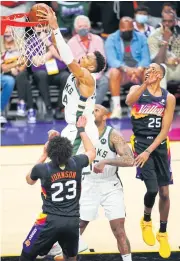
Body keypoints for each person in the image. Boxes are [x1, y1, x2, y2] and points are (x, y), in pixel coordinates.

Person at [19, 116, 96, 261]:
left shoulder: (42, 168)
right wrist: (81, 130)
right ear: (69, 151)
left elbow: (29, 180)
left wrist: (43, 155)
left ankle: (48, 247)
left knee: (26, 254)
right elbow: (91, 151)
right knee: (71, 257)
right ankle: (53, 248)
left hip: (49, 220)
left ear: (50, 153)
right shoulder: (76, 162)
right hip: (72, 221)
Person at [37, 9, 106, 163]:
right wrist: (50, 28)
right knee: (63, 169)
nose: (83, 56)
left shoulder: (87, 77)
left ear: (92, 68)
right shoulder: (77, 72)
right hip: (72, 127)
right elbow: (60, 48)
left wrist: (56, 27)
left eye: (88, 57)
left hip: (82, 130)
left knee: (67, 170)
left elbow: (68, 59)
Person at [126, 63, 176, 258]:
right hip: (139, 144)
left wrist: (150, 150)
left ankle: (162, 232)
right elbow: (130, 101)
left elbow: (165, 130)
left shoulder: (168, 97)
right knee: (153, 189)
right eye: (148, 68)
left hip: (160, 145)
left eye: (154, 69)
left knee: (164, 192)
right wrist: (143, 84)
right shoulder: (136, 90)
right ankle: (146, 220)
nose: (150, 71)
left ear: (162, 75)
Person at [79, 104, 134, 261]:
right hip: (88, 183)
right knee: (78, 228)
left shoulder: (113, 135)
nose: (92, 111)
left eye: (96, 110)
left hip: (110, 185)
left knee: (119, 230)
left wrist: (106, 161)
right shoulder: (82, 132)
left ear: (105, 116)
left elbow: (130, 160)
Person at [105, 16, 150, 119]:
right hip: (122, 72)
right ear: (120, 28)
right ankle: (117, 108)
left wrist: (138, 70)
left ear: (133, 28)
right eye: (124, 30)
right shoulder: (111, 38)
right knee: (114, 72)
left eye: (129, 30)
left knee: (148, 71)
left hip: (138, 70)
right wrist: (127, 69)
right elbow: (112, 60)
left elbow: (146, 58)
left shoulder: (141, 38)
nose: (127, 32)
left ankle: (145, 107)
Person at [68, 15, 109, 105]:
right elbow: (71, 65)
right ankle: (83, 107)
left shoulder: (98, 40)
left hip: (97, 73)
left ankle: (93, 107)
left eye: (85, 26)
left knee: (104, 81)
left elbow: (103, 61)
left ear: (89, 27)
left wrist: (95, 74)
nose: (83, 28)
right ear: (75, 29)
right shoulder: (71, 43)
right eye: (80, 26)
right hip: (80, 75)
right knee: (77, 83)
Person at [148, 11, 180, 89]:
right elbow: (157, 62)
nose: (167, 24)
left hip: (178, 68)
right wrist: (165, 39)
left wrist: (177, 60)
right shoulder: (154, 36)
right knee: (158, 69)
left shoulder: (178, 34)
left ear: (175, 21)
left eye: (170, 21)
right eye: (165, 21)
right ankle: (161, 100)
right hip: (165, 69)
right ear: (161, 21)